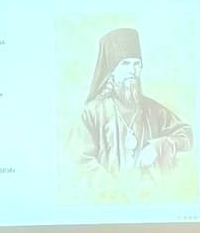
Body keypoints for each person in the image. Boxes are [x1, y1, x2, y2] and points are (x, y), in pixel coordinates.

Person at [80, 28, 192, 178]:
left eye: (136, 64)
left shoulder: (153, 110)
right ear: (111, 72)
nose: (132, 71)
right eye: (125, 64)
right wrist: (111, 186)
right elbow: (81, 161)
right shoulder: (92, 112)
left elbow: (186, 134)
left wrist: (157, 147)